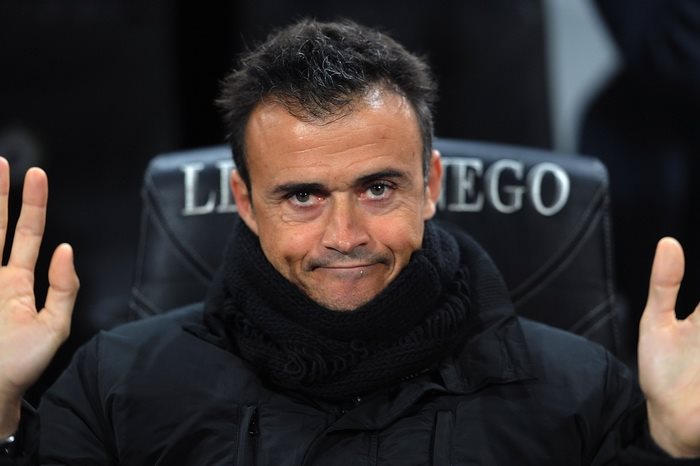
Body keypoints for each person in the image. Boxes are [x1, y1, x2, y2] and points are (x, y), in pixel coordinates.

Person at [0, 19, 698, 464]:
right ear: (245, 202)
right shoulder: (115, 386)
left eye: (377, 188)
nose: (344, 237)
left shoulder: (580, 391)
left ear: (431, 184)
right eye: (303, 196)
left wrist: (673, 446)